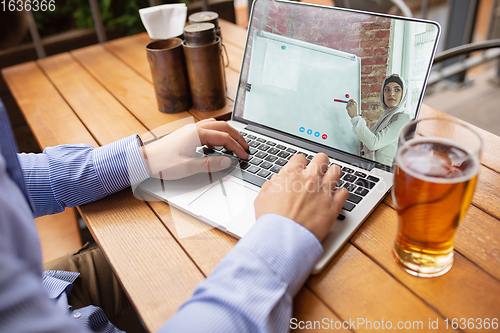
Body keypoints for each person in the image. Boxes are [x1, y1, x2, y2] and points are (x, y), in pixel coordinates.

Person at [0, 97, 349, 332]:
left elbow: (10, 177)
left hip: (50, 288)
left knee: (172, 246)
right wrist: (280, 236)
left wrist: (143, 158)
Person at [345, 74, 411, 166]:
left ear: (403, 94)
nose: (391, 93)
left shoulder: (405, 117)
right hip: (370, 170)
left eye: (397, 90)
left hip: (383, 174)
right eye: (387, 89)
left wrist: (355, 117)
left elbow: (374, 143)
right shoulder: (387, 116)